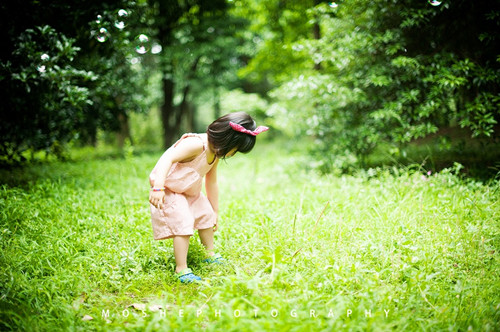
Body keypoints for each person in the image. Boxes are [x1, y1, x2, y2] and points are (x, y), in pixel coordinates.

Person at [148, 112, 269, 283]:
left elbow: (211, 181)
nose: (233, 154)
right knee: (183, 222)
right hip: (169, 189)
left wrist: (215, 210)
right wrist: (158, 187)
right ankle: (181, 269)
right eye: (236, 150)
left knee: (206, 214)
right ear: (228, 140)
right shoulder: (196, 144)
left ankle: (208, 254)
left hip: (190, 191)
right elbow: (167, 157)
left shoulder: (216, 153)